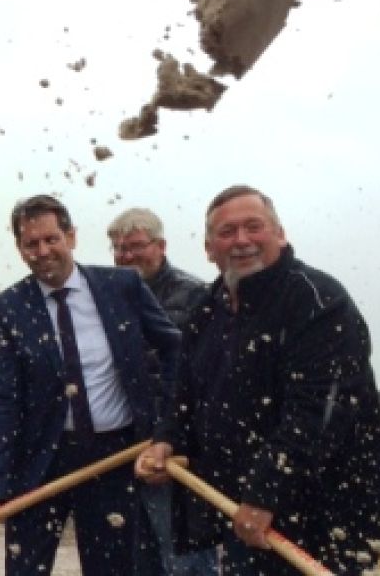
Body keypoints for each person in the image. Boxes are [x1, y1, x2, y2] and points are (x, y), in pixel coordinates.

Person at [136, 185, 380, 575]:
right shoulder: (206, 310)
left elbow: (319, 412)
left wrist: (265, 495)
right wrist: (167, 439)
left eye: (254, 227)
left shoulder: (317, 301)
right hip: (243, 513)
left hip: (329, 512)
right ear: (209, 248)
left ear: (279, 235)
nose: (242, 240)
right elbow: (186, 393)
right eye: (227, 232)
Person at [0, 195, 180, 576]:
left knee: (112, 567)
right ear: (20, 249)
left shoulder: (122, 286)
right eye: (31, 244)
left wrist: (166, 427)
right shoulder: (9, 307)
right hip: (39, 458)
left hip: (114, 453)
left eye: (51, 239)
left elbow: (175, 351)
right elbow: (3, 401)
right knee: (25, 565)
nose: (42, 251)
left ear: (71, 236)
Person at [108, 207, 216, 576]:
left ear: (161, 246)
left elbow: (206, 378)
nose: (128, 256)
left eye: (136, 246)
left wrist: (175, 438)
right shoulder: (110, 300)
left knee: (183, 557)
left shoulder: (196, 296)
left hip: (175, 450)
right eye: (120, 249)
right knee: (139, 558)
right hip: (125, 446)